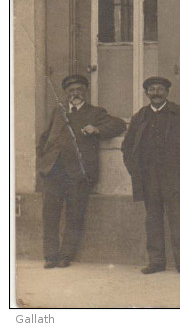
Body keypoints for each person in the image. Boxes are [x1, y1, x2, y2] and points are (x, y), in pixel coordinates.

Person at [37, 74, 126, 268]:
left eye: (78, 90)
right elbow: (44, 139)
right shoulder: (57, 112)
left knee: (74, 215)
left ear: (85, 92)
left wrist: (96, 129)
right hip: (54, 171)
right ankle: (50, 256)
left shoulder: (95, 112)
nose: (75, 93)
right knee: (50, 214)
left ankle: (66, 255)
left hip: (78, 173)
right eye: (71, 90)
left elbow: (118, 124)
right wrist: (43, 162)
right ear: (66, 93)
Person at [122, 76, 180, 275]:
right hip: (148, 178)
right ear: (146, 93)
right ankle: (156, 261)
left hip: (173, 177)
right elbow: (127, 147)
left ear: (167, 92)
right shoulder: (140, 117)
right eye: (152, 89)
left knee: (177, 220)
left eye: (160, 89)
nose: (156, 93)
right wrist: (135, 170)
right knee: (153, 220)